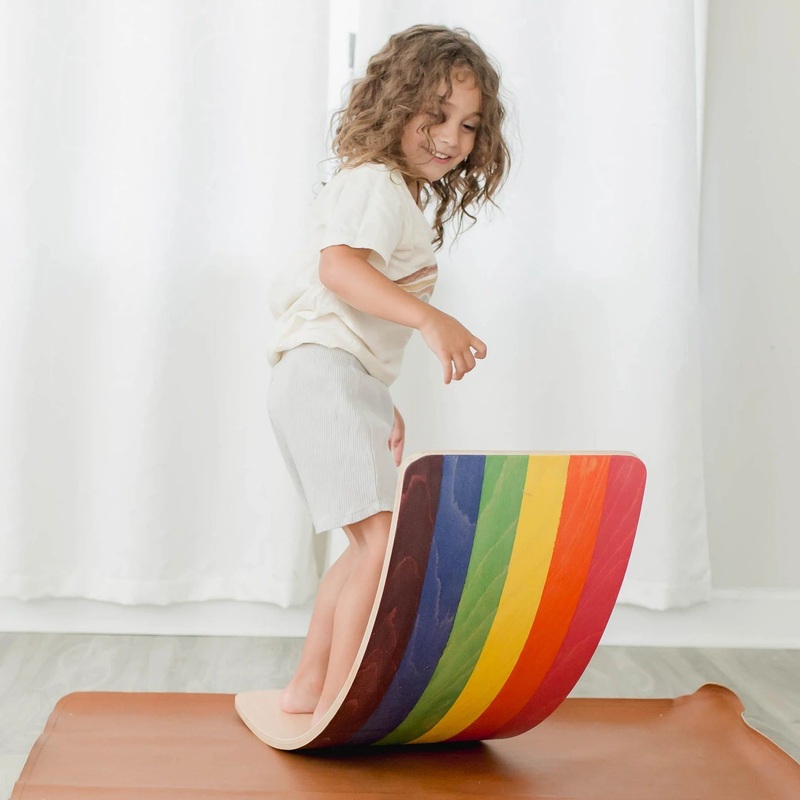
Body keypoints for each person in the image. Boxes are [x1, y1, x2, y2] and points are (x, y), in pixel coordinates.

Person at [266, 23, 511, 725]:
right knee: (382, 543)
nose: (451, 137)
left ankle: (311, 688)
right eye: (436, 114)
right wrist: (430, 320)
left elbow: (350, 316)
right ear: (395, 103)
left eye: (468, 124)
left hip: (331, 377)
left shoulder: (393, 193)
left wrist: (376, 394)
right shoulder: (374, 182)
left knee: (364, 543)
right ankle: (343, 702)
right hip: (322, 375)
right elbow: (339, 271)